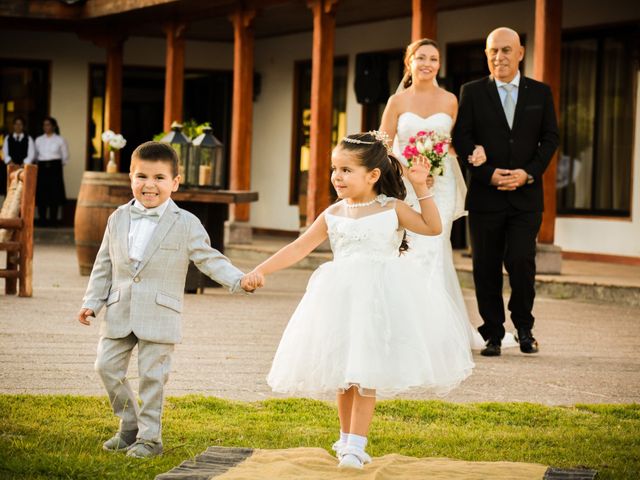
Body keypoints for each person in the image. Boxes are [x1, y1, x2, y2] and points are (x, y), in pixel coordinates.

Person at [244, 132, 474, 469]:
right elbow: (298, 247)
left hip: (378, 298)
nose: (337, 176)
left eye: (346, 170)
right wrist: (260, 270)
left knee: (365, 371)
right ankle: (344, 439)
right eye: (334, 169)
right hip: (340, 297)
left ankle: (357, 445)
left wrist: (421, 187)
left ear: (373, 175)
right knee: (343, 369)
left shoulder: (391, 208)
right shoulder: (333, 213)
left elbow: (431, 226)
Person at [77, 141, 258, 458]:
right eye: (141, 176)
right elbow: (104, 264)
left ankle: (150, 439)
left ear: (175, 182)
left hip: (160, 313)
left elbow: (209, 259)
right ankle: (129, 424)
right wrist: (92, 301)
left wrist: (239, 280)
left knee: (152, 377)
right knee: (105, 367)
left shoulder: (186, 223)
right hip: (119, 309)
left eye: (159, 177)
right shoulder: (117, 218)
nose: (149, 185)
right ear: (130, 178)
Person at [379, 38, 517, 350]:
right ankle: (405, 322)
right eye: (421, 57)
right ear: (410, 62)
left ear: (439, 65)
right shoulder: (396, 102)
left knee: (433, 247)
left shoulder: (451, 100)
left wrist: (472, 150)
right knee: (408, 249)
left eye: (434, 59)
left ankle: (433, 329)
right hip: (407, 185)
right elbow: (383, 146)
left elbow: (458, 141)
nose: (428, 64)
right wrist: (410, 170)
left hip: (440, 185)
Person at [452, 27, 559, 357]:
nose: (499, 57)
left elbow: (550, 138)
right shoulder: (471, 91)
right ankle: (493, 333)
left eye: (506, 50)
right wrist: (487, 174)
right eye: (493, 51)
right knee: (485, 265)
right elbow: (462, 138)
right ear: (487, 55)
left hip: (526, 197)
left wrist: (528, 174)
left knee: (521, 261)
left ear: (521, 53)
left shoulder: (540, 93)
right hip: (486, 196)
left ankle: (524, 327)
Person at [34, 116, 68, 226]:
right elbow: (35, 156)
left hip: (55, 168)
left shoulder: (60, 140)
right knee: (42, 193)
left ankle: (53, 221)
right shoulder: (38, 140)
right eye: (44, 125)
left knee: (55, 193)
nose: (46, 127)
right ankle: (42, 220)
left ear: (53, 126)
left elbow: (65, 157)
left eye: (48, 124)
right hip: (42, 167)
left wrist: (55, 166)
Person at [1, 116, 35, 197]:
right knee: (10, 190)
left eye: (20, 124)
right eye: (16, 124)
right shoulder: (8, 138)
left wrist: (22, 164)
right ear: (13, 125)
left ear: (23, 126)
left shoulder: (29, 138)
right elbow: (4, 153)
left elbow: (31, 154)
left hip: (24, 168)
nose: (18, 126)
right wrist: (11, 163)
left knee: (23, 191)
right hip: (11, 167)